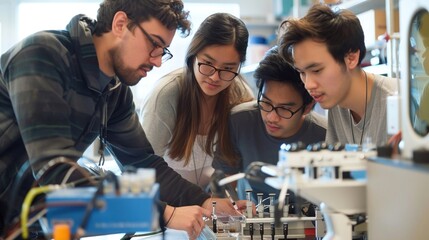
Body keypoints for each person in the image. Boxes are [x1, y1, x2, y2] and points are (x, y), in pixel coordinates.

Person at [0, 1, 243, 238]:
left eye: (163, 51)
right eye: (154, 45)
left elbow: (143, 162)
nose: (158, 61)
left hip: (28, 223)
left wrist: (205, 201)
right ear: (120, 24)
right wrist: (164, 213)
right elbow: (54, 169)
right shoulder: (42, 55)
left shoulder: (115, 90)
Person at [140, 12, 254, 190]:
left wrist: (224, 199)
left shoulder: (240, 96)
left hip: (208, 205)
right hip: (164, 202)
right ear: (193, 56)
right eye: (208, 63)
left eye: (228, 68)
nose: (215, 77)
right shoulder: (167, 94)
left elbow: (235, 168)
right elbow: (143, 173)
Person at [212, 46, 327, 205]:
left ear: (308, 106)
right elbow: (223, 183)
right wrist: (230, 205)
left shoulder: (325, 136)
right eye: (266, 103)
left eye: (285, 109)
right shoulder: (239, 121)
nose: (272, 117)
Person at [278, 3, 398, 147]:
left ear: (351, 58)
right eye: (302, 72)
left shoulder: (399, 101)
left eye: (317, 70)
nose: (308, 84)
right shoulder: (335, 100)